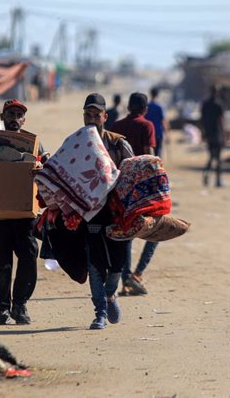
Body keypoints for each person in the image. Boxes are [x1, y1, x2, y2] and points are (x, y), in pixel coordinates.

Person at [0, 99, 48, 325]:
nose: (15, 118)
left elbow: (48, 169)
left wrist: (41, 167)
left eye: (19, 115)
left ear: (24, 120)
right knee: (0, 264)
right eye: (10, 114)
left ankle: (20, 305)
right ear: (2, 117)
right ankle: (2, 309)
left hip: (24, 214)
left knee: (29, 257)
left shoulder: (35, 143)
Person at [82, 93, 134, 329]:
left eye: (96, 115)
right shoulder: (76, 143)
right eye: (88, 114)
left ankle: (111, 293)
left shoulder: (118, 144)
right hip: (91, 212)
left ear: (105, 116)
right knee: (95, 262)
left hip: (117, 213)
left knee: (117, 263)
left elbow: (134, 176)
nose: (92, 119)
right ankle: (100, 312)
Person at [111, 92, 158, 296]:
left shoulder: (117, 126)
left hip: (121, 186)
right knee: (157, 229)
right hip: (143, 187)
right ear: (145, 109)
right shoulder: (147, 126)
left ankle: (127, 279)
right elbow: (149, 156)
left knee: (127, 233)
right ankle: (137, 274)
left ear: (128, 107)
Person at [201, 86, 226, 187]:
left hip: (208, 134)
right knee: (218, 158)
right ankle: (218, 180)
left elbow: (202, 120)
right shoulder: (218, 104)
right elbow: (221, 121)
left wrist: (203, 133)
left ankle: (206, 173)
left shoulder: (205, 104)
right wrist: (224, 134)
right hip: (217, 133)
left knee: (211, 156)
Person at [145, 87, 170, 158]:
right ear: (157, 95)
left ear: (150, 94)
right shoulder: (160, 107)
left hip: (148, 133)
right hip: (158, 133)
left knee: (149, 155)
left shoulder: (146, 107)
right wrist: (167, 134)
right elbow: (163, 121)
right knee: (158, 154)